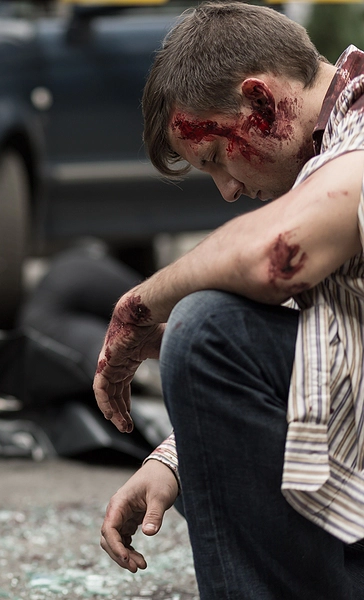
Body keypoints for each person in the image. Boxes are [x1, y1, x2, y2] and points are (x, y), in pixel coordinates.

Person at [93, 3, 364, 598]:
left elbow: (275, 256)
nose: (228, 190)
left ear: (262, 102)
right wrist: (177, 458)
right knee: (213, 332)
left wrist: (140, 305)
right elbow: (318, 334)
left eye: (216, 158)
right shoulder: (325, 158)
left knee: (206, 326)